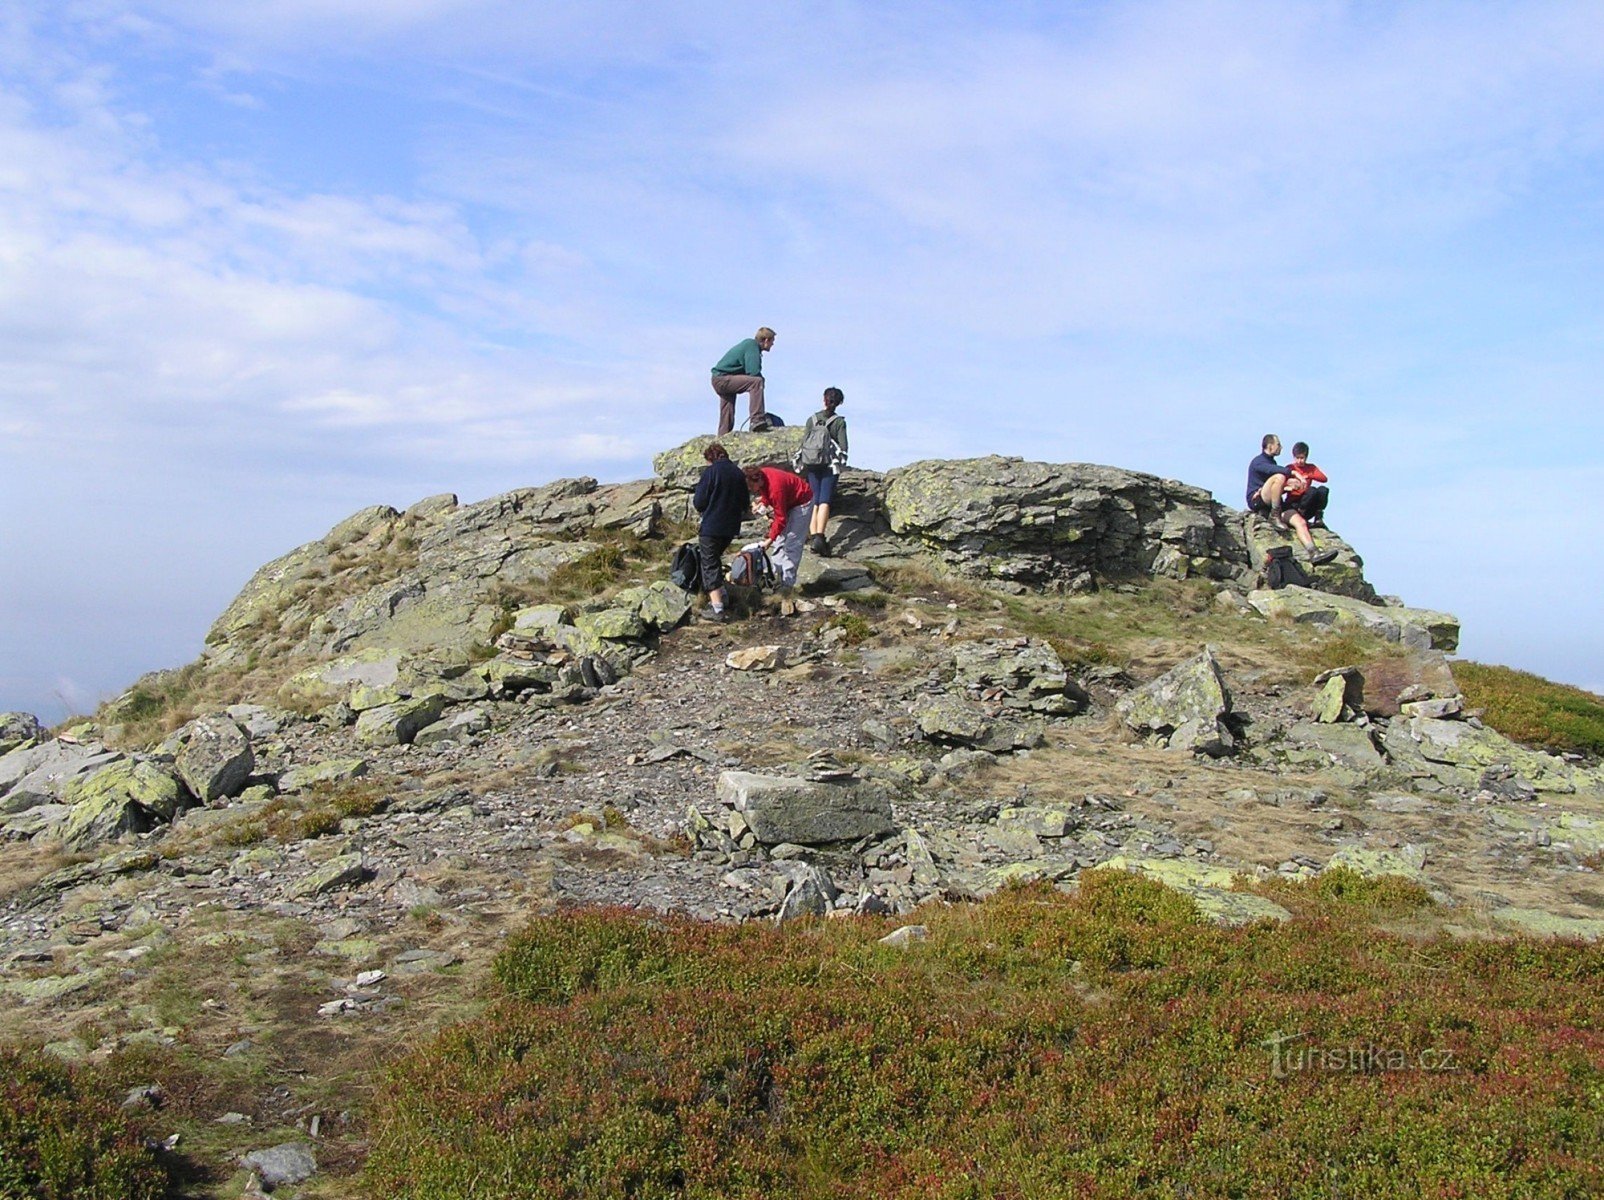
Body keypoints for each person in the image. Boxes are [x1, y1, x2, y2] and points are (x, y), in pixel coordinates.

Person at [1245, 434, 1337, 566]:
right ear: (1270, 446)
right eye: (1278, 445)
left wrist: (1288, 487)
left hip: (1272, 501)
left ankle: (1313, 552)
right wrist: (1294, 473)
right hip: (1258, 500)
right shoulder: (1258, 461)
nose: (1281, 447)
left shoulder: (1273, 463)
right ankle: (1275, 515)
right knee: (1280, 476)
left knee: (1300, 521)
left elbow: (1276, 485)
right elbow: (1275, 473)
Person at [691, 443, 750, 623]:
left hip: (711, 526)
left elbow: (699, 501)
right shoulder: (738, 473)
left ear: (711, 458)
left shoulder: (711, 472)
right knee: (715, 560)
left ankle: (717, 609)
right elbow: (744, 502)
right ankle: (723, 595)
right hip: (731, 527)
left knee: (709, 564)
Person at [795, 387, 848, 557]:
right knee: (824, 500)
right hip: (829, 465)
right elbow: (844, 446)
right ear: (839, 402)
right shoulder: (839, 422)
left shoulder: (812, 419)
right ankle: (819, 537)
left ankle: (812, 538)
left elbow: (804, 442)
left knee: (814, 500)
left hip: (811, 464)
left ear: (824, 399)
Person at [742, 464, 813, 589]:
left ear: (757, 480)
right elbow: (765, 491)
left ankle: (786, 585)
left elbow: (781, 518)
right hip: (789, 501)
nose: (751, 490)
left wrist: (769, 540)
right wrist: (763, 502)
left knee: (792, 542)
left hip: (802, 502)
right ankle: (775, 577)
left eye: (751, 486)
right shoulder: (762, 475)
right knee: (779, 541)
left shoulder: (776, 488)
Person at [710, 327, 776, 436]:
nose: (772, 345)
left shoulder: (749, 345)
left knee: (727, 406)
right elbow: (753, 371)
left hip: (718, 378)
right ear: (766, 340)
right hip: (723, 379)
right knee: (757, 382)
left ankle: (723, 435)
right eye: (772, 341)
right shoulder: (752, 346)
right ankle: (756, 419)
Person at [1283, 441, 1330, 528]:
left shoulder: (1310, 467)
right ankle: (1300, 513)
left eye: (1302, 458)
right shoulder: (1290, 468)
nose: (1299, 461)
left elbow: (1324, 479)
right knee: (1312, 490)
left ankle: (1318, 516)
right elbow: (1282, 484)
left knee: (1322, 490)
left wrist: (1308, 475)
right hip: (1294, 502)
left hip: (1308, 500)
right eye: (1297, 458)